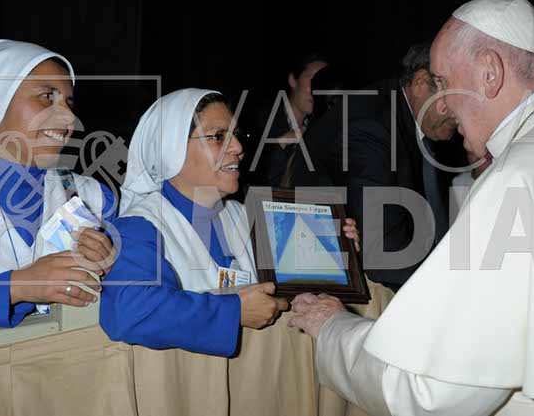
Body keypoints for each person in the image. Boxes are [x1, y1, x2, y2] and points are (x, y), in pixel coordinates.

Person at [287, 0, 534, 415]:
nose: (440, 103)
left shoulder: (519, 175)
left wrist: (332, 327)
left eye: (443, 82)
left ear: (490, 72)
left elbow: (430, 392)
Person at [99, 88, 360, 355]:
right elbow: (128, 312)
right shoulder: (139, 226)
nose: (238, 148)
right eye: (218, 137)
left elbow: (302, 285)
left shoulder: (245, 215)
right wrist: (233, 311)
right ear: (171, 148)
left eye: (235, 135)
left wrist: (338, 251)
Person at [0, 40, 116, 328]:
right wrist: (16, 287)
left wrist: (112, 270)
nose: (69, 118)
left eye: (69, 102)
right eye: (46, 97)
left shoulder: (95, 197)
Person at [293, 43, 461, 291]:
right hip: (330, 284)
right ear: (420, 83)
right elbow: (385, 255)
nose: (461, 109)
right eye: (455, 94)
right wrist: (450, 290)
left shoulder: (407, 119)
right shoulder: (370, 126)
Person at [249, 53, 328, 188]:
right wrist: (280, 144)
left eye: (324, 83)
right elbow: (251, 181)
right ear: (293, 80)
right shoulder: (259, 121)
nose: (318, 89)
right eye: (313, 79)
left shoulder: (323, 130)